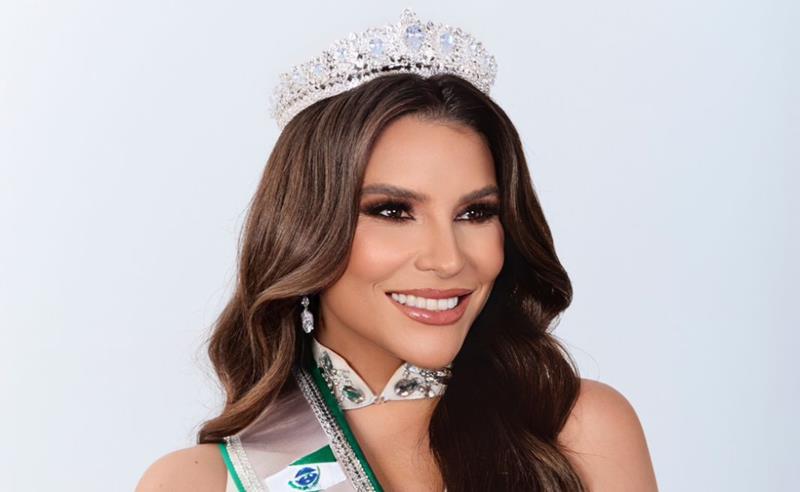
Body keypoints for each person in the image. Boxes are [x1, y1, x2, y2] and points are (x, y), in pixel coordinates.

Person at [136, 8, 658, 492]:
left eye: (475, 213)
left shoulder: (579, 431)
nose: (447, 259)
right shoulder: (199, 482)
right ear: (306, 229)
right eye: (392, 211)